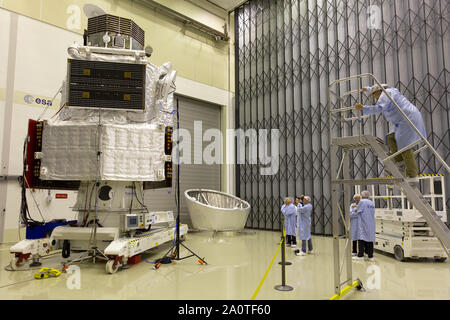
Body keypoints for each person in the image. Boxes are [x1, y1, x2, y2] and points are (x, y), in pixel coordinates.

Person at [355, 84, 427, 183]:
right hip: (403, 120)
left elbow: (379, 108)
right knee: (390, 137)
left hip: (407, 119)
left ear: (378, 92)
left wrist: (363, 108)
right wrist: (367, 90)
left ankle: (412, 175)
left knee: (405, 147)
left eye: (373, 95)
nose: (374, 98)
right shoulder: (389, 92)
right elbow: (376, 89)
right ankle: (399, 161)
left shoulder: (386, 94)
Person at [352, 190, 376, 261]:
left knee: (361, 238)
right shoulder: (371, 203)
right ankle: (370, 256)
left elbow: (357, 210)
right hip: (371, 223)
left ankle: (360, 255)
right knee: (370, 239)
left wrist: (354, 208)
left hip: (363, 223)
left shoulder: (362, 202)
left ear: (362, 196)